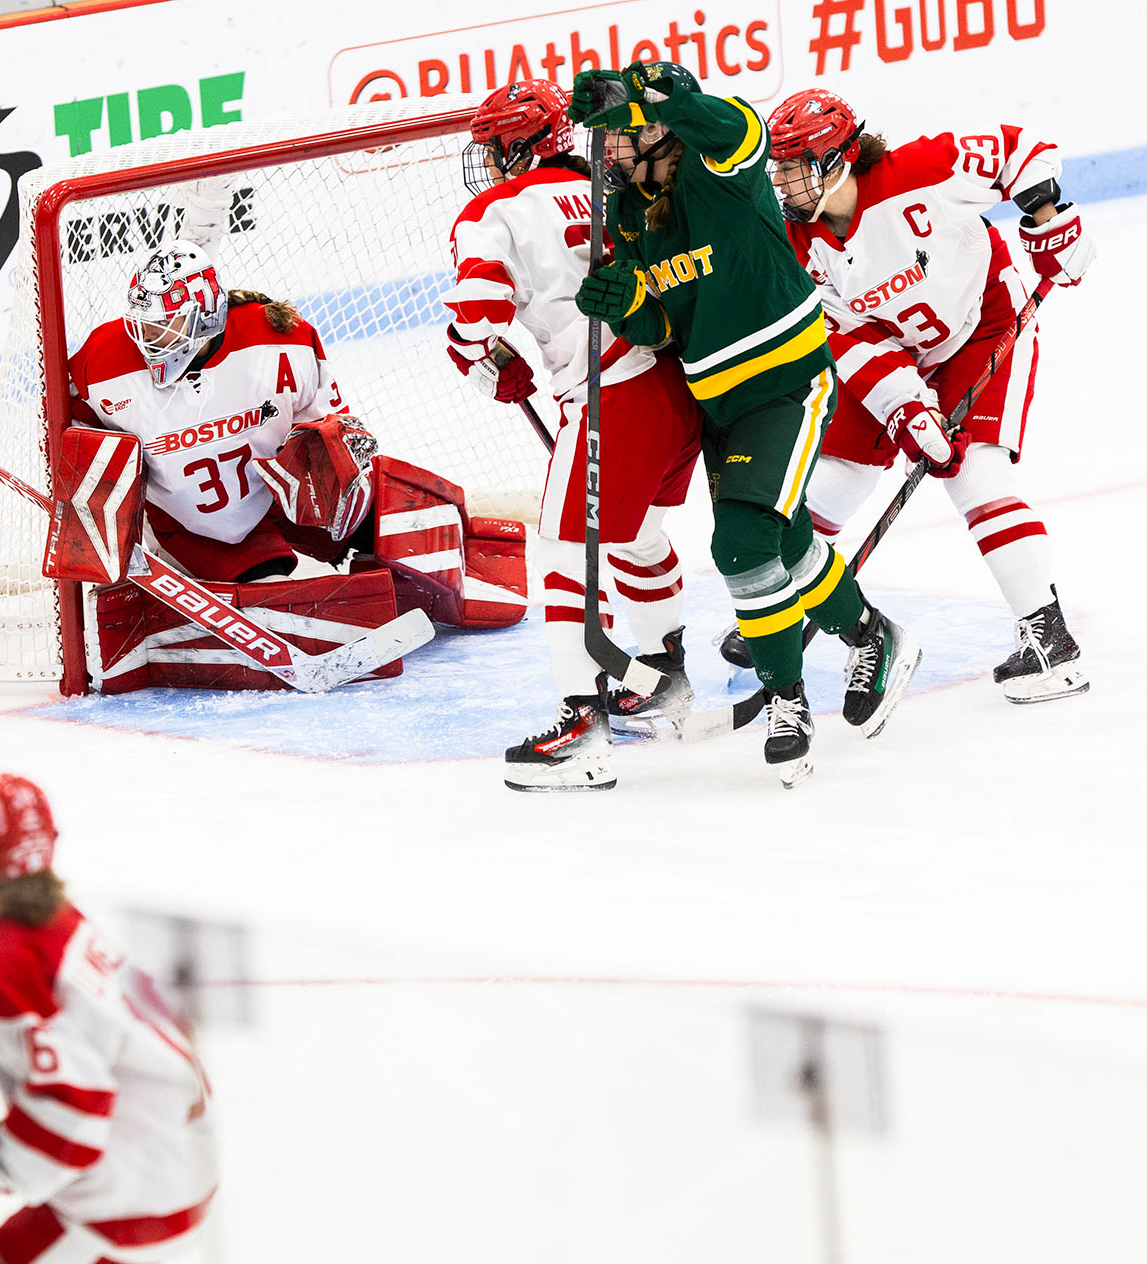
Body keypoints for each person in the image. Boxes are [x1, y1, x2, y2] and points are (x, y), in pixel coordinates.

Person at [569, 60, 920, 785]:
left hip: (787, 385)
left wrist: (664, 96)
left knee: (740, 543)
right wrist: (623, 307)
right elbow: (663, 325)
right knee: (784, 549)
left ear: (654, 128)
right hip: (718, 402)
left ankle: (787, 700)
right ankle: (870, 636)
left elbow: (741, 128)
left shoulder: (713, 165)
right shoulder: (633, 212)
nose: (603, 156)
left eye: (616, 139)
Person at [62, 184, 528, 692]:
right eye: (144, 327)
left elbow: (341, 428)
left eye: (166, 328)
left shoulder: (277, 338)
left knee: (386, 502)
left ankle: (464, 558)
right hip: (199, 528)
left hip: (287, 496)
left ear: (209, 317)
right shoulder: (103, 361)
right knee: (273, 596)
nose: (151, 341)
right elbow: (76, 434)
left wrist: (329, 465)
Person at [744, 88, 1091, 703]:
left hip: (984, 322)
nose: (785, 182)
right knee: (835, 473)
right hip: (891, 347)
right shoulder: (796, 245)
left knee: (975, 477)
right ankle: (791, 605)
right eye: (781, 167)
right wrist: (904, 406)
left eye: (798, 165)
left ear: (838, 160)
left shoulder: (921, 171)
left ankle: (1050, 639)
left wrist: (1048, 219)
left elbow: (1020, 147)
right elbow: (844, 336)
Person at [446, 77, 704, 791]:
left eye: (497, 148)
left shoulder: (495, 207)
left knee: (567, 547)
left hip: (611, 391)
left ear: (525, 147)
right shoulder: (612, 186)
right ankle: (666, 680)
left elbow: (479, 305)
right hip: (680, 382)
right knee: (635, 534)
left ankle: (581, 726)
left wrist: (473, 351)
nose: (491, 165)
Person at [0, 774, 216, 1264]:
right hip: (176, 1170)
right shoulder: (67, 924)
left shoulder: (3, 965)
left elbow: (71, 1119)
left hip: (126, 1201)